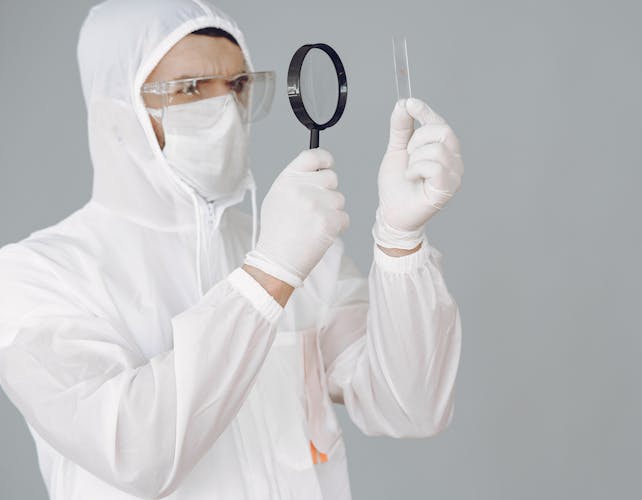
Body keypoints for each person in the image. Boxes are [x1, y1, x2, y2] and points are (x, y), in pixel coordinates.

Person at [0, 0, 464, 498]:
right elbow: (133, 452)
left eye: (238, 84)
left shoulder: (301, 251)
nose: (224, 106)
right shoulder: (34, 277)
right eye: (191, 88)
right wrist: (268, 276)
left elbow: (411, 405)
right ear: (119, 118)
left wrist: (400, 244)